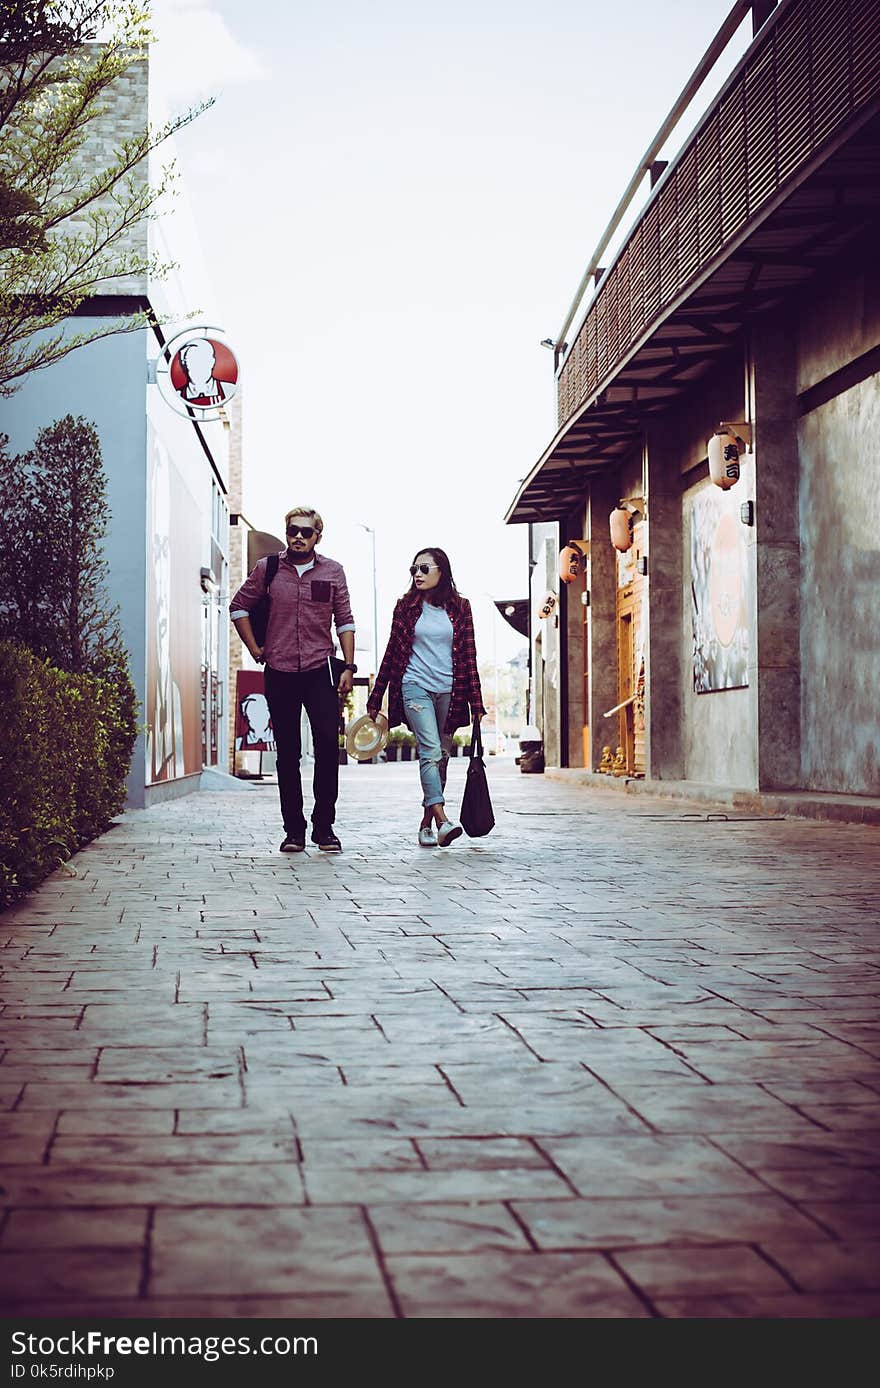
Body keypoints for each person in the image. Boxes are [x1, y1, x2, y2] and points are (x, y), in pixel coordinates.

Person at [230, 507, 356, 853]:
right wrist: (255, 648)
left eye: (305, 532)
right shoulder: (268, 569)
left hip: (320, 670)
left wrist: (348, 666)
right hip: (280, 670)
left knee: (328, 748)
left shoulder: (333, 572)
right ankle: (294, 831)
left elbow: (344, 620)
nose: (298, 537)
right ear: (286, 533)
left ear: (318, 535)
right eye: (292, 531)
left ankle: (324, 828)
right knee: (288, 753)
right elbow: (238, 606)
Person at [367, 547, 485, 847]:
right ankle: (444, 821)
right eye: (413, 570)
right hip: (414, 685)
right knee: (430, 751)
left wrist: (477, 702)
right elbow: (392, 651)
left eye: (424, 568)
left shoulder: (461, 607)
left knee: (442, 758)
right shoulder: (405, 607)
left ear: (441, 572)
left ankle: (426, 822)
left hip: (451, 690)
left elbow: (470, 656)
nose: (417, 574)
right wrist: (376, 695)